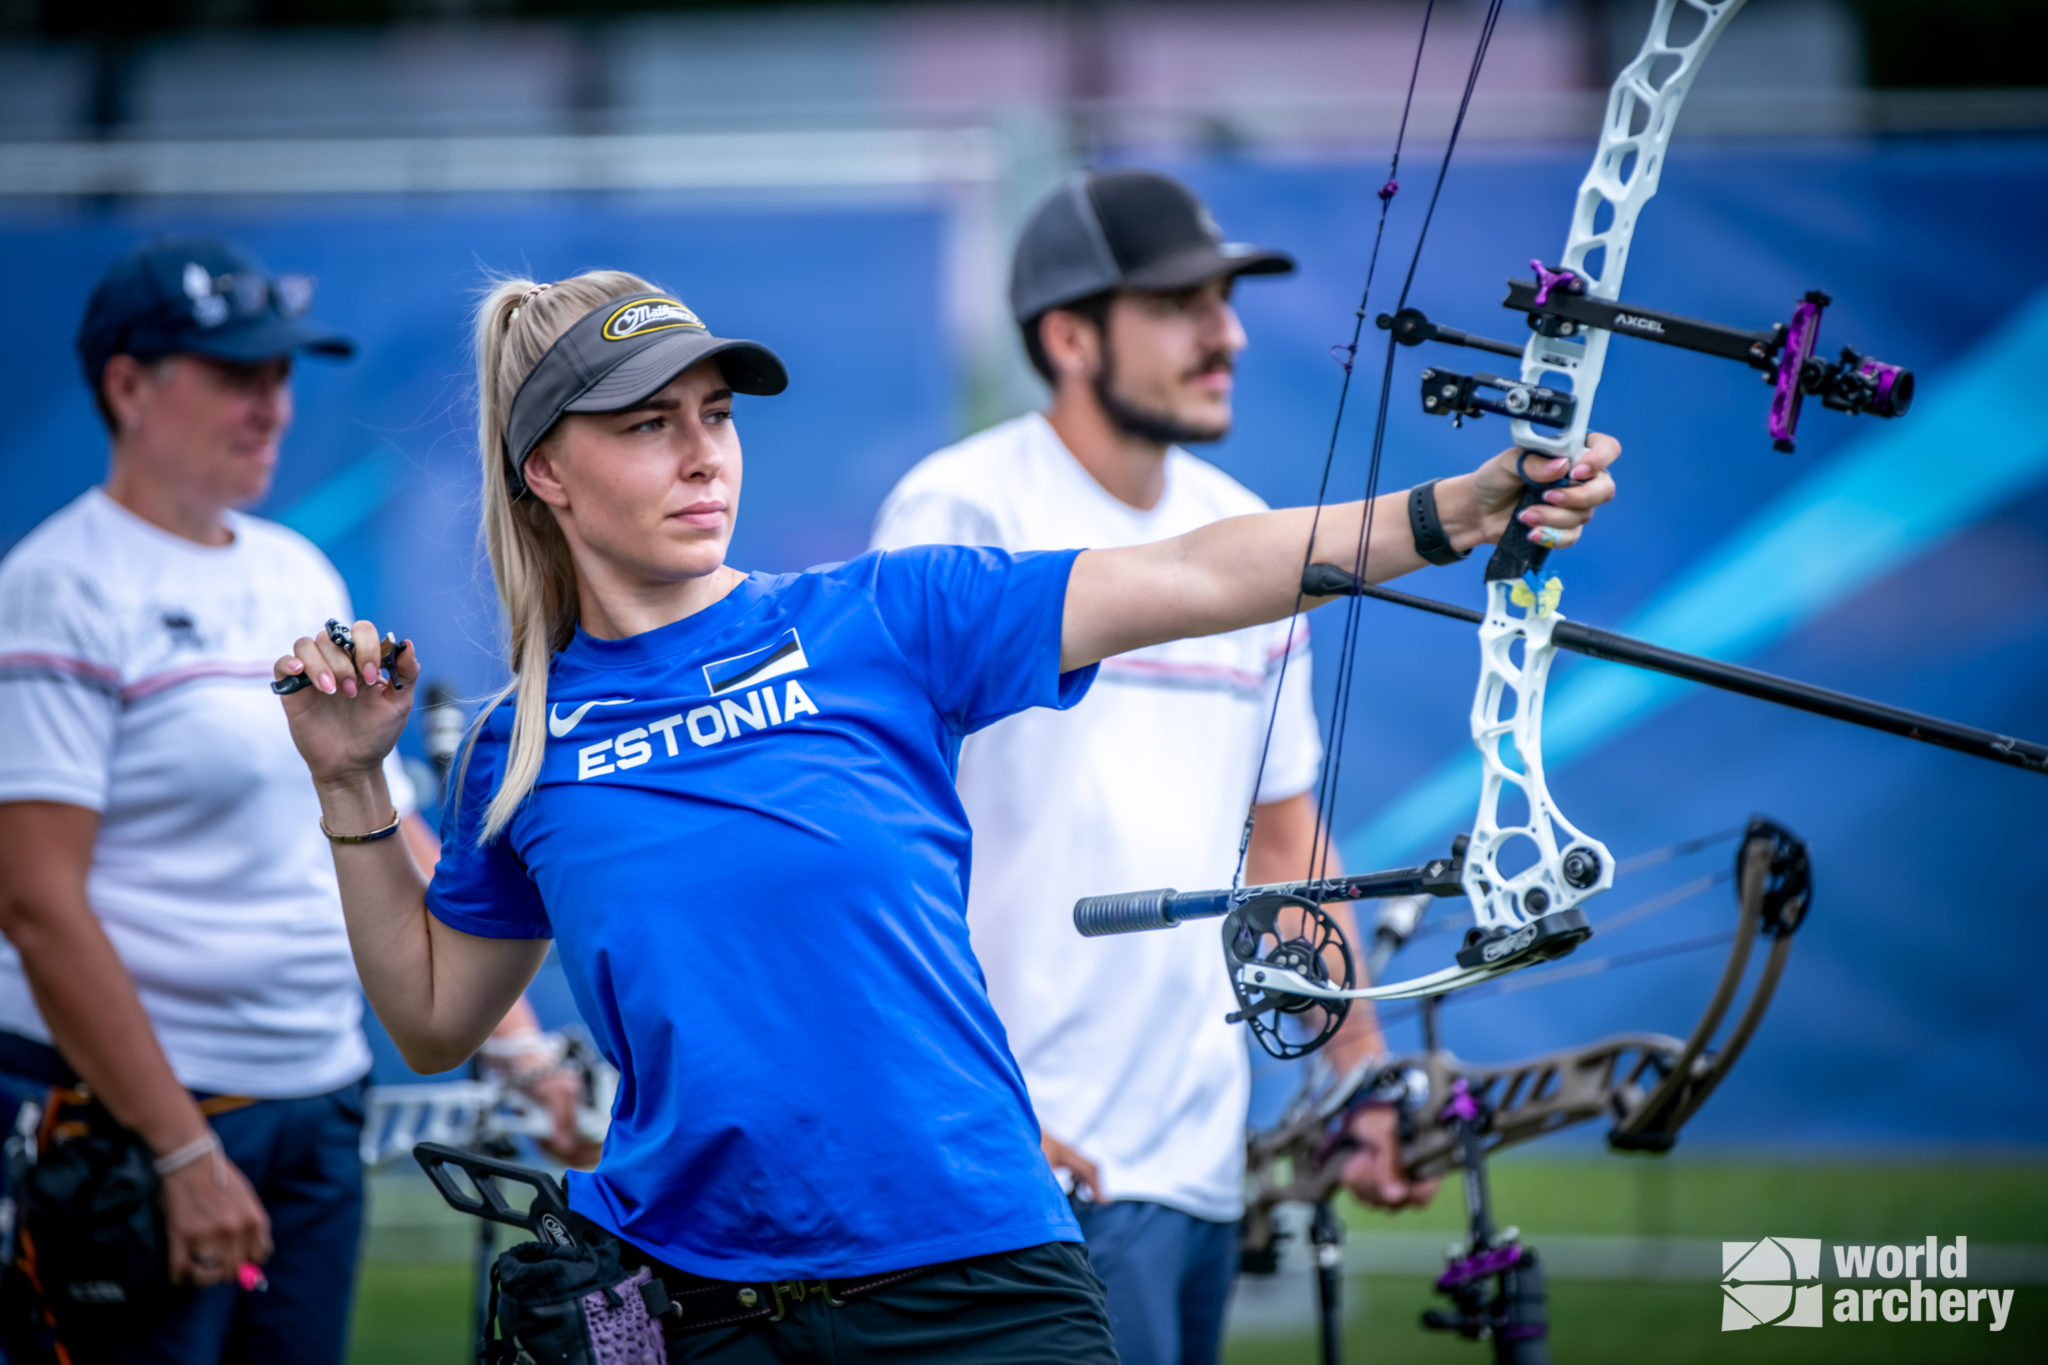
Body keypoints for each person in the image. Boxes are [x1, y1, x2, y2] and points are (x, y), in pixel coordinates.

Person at [271, 269, 1616, 1363]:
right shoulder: (524, 743)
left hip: (976, 1283)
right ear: (547, 476)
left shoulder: (881, 619)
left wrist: (1459, 513)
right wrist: (349, 785)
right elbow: (437, 1015)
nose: (702, 455)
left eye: (717, 415)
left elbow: (1202, 571)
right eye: (647, 425)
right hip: (694, 1304)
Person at [868, 167, 1445, 1363]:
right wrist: (973, 1113)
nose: (1225, 332)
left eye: (1223, 302)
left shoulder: (1249, 532)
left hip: (1194, 1160)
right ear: (1069, 334)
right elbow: (872, 851)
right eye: (1180, 303)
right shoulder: (960, 512)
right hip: (1010, 1157)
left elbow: (1285, 842)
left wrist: (1357, 1076)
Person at [0, 237, 587, 1365]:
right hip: (142, 1119)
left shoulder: (293, 571)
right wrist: (178, 1152)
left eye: (280, 376)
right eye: (234, 375)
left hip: (316, 1097)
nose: (271, 405)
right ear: (127, 385)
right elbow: (35, 906)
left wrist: (516, 1046)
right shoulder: (59, 584)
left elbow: (383, 817)